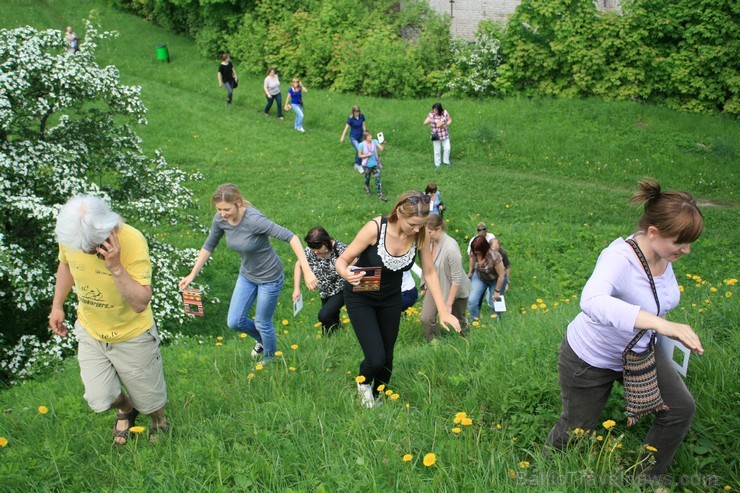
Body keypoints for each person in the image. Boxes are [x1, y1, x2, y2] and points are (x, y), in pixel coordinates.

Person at [545, 179, 705, 480]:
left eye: (689, 242)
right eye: (680, 242)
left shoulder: (663, 254)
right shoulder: (618, 258)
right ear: (653, 233)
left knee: (680, 410)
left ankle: (644, 479)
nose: (686, 250)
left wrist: (660, 328)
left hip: (639, 352)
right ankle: (544, 473)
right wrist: (662, 325)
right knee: (576, 430)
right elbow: (591, 300)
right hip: (591, 359)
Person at [49, 195, 169, 445]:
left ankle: (159, 420)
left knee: (151, 400)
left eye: (92, 248)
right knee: (99, 398)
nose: (87, 252)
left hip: (132, 332)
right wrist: (57, 305)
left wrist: (115, 266)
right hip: (91, 330)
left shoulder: (133, 240)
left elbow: (139, 303)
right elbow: (66, 266)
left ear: (110, 228)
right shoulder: (75, 235)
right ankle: (126, 408)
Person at [336, 191, 461, 408]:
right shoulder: (375, 228)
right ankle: (363, 384)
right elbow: (343, 260)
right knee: (375, 358)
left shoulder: (419, 234)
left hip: (391, 297)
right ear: (399, 213)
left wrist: (443, 310)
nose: (417, 229)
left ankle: (378, 395)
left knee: (387, 359)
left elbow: (429, 272)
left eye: (420, 225)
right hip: (362, 294)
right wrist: (346, 273)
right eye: (413, 224)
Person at [179, 184, 317, 362]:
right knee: (234, 321)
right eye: (219, 209)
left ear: (238, 203)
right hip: (247, 275)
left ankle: (270, 359)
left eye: (226, 209)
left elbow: (291, 237)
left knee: (262, 322)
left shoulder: (254, 220)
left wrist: (306, 270)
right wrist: (192, 274)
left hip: (270, 277)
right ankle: (262, 340)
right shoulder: (221, 220)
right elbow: (209, 245)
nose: (222, 214)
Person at [420, 214, 470, 341]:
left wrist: (448, 303)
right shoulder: (429, 243)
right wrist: (425, 286)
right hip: (435, 287)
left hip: (454, 290)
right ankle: (436, 343)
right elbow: (427, 266)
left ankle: (465, 342)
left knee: (459, 321)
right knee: (426, 318)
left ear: (439, 228)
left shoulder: (451, 248)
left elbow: (457, 277)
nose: (427, 235)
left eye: (429, 232)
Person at [293, 227, 346, 335]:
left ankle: (334, 336)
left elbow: (357, 264)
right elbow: (298, 265)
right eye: (313, 248)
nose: (315, 251)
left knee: (324, 316)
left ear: (326, 242)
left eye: (318, 248)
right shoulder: (310, 251)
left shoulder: (340, 249)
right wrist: (296, 289)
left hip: (341, 289)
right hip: (325, 292)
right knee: (330, 322)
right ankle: (333, 339)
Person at [467, 235, 506, 321]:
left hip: (496, 279)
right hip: (480, 277)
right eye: (475, 251)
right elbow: (472, 260)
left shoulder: (494, 256)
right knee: (472, 300)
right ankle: (474, 322)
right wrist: (470, 273)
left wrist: (497, 291)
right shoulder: (474, 252)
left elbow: (501, 275)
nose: (477, 253)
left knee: (494, 303)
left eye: (479, 251)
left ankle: (495, 324)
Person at [358, 131, 387, 202]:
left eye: (371, 135)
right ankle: (366, 187)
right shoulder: (361, 145)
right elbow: (360, 155)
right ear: (365, 138)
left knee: (378, 177)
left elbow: (382, 149)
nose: (371, 136)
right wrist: (367, 155)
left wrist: (383, 144)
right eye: (369, 136)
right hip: (366, 165)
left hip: (375, 164)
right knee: (367, 178)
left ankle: (380, 194)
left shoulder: (375, 141)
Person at [423, 102, 452, 168]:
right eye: (433, 109)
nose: (434, 111)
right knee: (437, 150)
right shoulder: (431, 115)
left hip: (444, 133)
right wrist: (430, 121)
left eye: (436, 110)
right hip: (435, 134)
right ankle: (437, 163)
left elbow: (450, 120)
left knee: (447, 148)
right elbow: (424, 123)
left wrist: (446, 124)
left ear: (439, 109)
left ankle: (446, 161)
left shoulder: (444, 112)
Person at [339, 105, 367, 174]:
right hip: (353, 137)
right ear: (353, 112)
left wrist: (365, 134)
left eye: (358, 112)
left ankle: (356, 164)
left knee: (360, 149)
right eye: (356, 112)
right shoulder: (351, 118)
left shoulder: (361, 116)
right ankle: (359, 165)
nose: (357, 113)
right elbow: (346, 128)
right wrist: (342, 136)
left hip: (360, 136)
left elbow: (363, 125)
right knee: (359, 149)